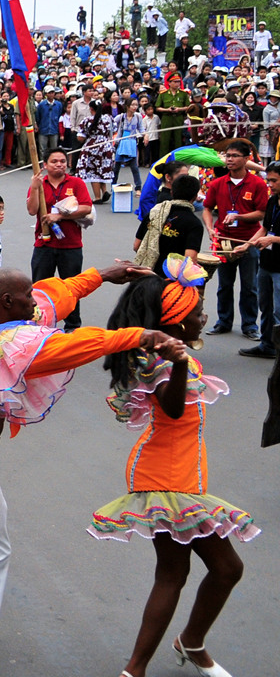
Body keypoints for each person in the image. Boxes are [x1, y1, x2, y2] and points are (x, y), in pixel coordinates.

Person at [0, 261, 171, 677]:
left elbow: (54, 295)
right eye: (25, 298)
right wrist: (140, 335)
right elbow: (71, 346)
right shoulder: (4, 344)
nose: (34, 304)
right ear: (6, 302)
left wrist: (101, 276)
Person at [92, 258, 257, 677]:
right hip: (164, 476)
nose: (204, 317)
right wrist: (180, 363)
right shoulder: (163, 361)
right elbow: (173, 407)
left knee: (226, 569)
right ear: (178, 323)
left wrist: (155, 282)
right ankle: (135, 669)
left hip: (182, 474)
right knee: (174, 572)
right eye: (197, 312)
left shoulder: (168, 352)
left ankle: (191, 643)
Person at [202, 140, 268, 339]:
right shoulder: (217, 183)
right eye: (227, 156)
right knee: (224, 285)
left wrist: (239, 216)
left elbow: (262, 213)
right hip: (223, 241)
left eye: (234, 156)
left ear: (246, 159)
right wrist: (210, 228)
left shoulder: (257, 184)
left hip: (249, 241)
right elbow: (207, 208)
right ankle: (223, 321)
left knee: (250, 286)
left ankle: (250, 325)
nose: (229, 159)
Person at [27, 148, 94, 331]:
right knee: (40, 288)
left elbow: (86, 207)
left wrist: (61, 216)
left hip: (71, 245)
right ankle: (41, 325)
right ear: (45, 165)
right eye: (54, 161)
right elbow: (32, 210)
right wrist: (34, 187)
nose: (59, 165)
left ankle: (72, 326)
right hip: (44, 243)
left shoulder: (76, 183)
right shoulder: (39, 183)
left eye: (62, 161)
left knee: (71, 288)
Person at [235, 162, 280, 359]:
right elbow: (264, 228)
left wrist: (273, 240)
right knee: (266, 307)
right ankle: (267, 345)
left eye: (274, 181)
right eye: (268, 180)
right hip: (266, 263)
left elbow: (269, 236)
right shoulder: (272, 201)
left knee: (279, 311)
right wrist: (247, 245)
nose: (270, 185)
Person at [134, 174, 204, 273]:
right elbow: (189, 260)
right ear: (195, 197)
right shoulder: (194, 224)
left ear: (171, 193)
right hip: (171, 279)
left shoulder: (154, 212)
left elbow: (137, 246)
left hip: (146, 274)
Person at [76, 103, 116, 203]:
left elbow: (80, 137)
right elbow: (114, 130)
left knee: (93, 171)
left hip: (92, 146)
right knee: (102, 169)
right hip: (106, 146)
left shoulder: (87, 120)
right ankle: (104, 191)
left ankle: (97, 197)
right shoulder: (108, 118)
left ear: (91, 108)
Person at [113, 98, 146, 188]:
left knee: (134, 167)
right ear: (127, 106)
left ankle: (138, 187)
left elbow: (141, 129)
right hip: (121, 143)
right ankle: (113, 186)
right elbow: (112, 125)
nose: (135, 107)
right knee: (116, 168)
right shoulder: (121, 117)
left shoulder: (138, 116)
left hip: (131, 143)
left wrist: (145, 135)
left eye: (136, 105)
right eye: (132, 105)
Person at [156, 73, 190, 155]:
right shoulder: (163, 94)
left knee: (178, 140)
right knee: (165, 140)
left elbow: (188, 107)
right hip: (167, 117)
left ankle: (178, 158)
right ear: (169, 83)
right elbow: (157, 107)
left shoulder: (183, 93)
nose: (177, 84)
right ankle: (163, 159)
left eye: (178, 82)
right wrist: (167, 110)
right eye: (175, 82)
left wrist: (179, 109)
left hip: (178, 117)